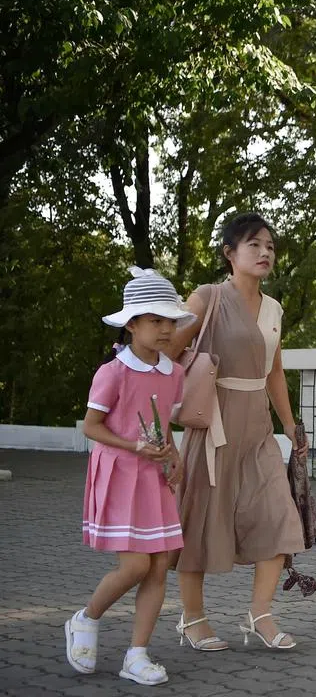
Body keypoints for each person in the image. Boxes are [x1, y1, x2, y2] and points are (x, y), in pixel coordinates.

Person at [168, 212, 308, 652]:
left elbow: (275, 371)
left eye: (270, 246)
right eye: (254, 244)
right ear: (230, 253)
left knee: (280, 517)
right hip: (214, 426)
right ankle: (192, 619)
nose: (265, 252)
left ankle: (260, 615)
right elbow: (168, 354)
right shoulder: (206, 298)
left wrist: (289, 423)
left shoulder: (274, 310)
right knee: (199, 522)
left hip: (259, 430)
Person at [66, 267, 190, 686]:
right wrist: (134, 447)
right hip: (120, 473)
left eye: (170, 320)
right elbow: (92, 427)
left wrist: (175, 456)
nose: (165, 328)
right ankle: (86, 618)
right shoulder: (112, 372)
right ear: (132, 324)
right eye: (155, 320)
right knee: (136, 565)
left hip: (155, 478)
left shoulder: (174, 373)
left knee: (159, 567)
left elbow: (162, 426)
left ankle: (136, 654)